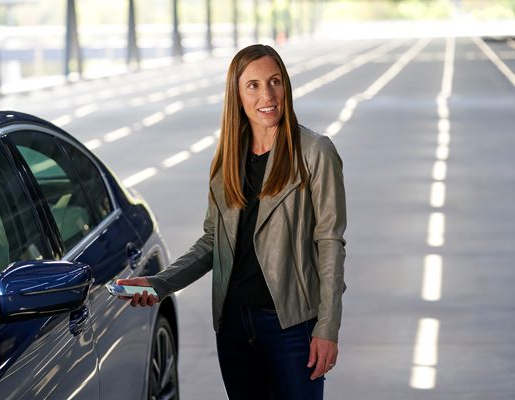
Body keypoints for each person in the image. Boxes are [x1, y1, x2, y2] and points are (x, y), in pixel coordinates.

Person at [118, 44, 347, 400]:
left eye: (274, 81)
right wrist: (161, 283)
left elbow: (330, 243)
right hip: (234, 326)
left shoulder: (315, 152)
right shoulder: (227, 158)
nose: (267, 95)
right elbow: (213, 241)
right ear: (237, 95)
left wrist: (327, 327)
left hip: (291, 325)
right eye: (253, 85)